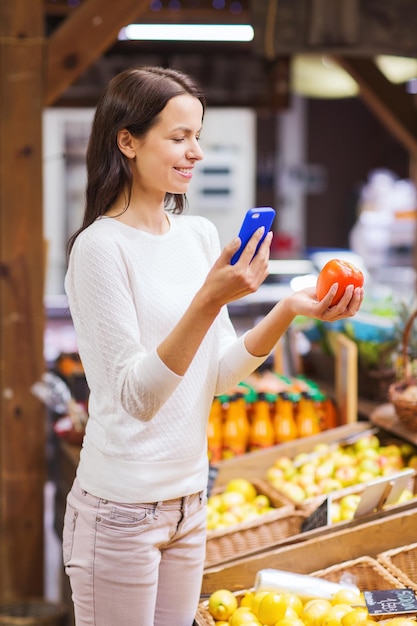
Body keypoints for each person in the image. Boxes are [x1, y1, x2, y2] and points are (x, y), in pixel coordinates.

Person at [62, 65, 363, 626]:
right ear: (126, 140)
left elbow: (220, 375)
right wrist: (207, 300)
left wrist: (288, 310)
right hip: (121, 512)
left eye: (198, 136)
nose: (195, 151)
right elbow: (136, 397)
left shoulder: (198, 235)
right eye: (178, 137)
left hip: (190, 503)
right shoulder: (99, 249)